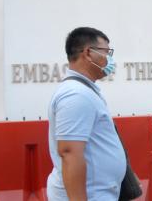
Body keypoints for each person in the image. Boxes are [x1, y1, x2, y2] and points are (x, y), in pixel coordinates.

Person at [47, 27, 126, 201]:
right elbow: (69, 153)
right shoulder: (76, 95)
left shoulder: (84, 90)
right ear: (88, 53)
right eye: (107, 52)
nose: (110, 59)